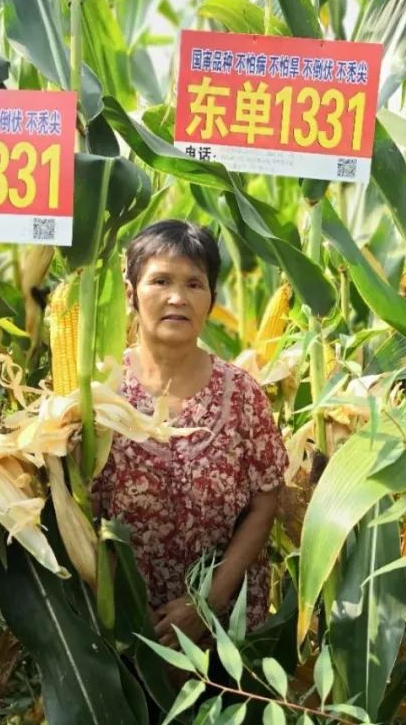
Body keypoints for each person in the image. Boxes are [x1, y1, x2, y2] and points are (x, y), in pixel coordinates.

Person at [92, 219, 288, 647]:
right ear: (131, 293)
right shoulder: (98, 395)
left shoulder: (242, 395)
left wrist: (208, 600)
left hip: (226, 628)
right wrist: (127, 604)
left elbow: (265, 500)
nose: (177, 298)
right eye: (159, 280)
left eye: (194, 284)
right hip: (122, 627)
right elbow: (81, 512)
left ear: (211, 300)